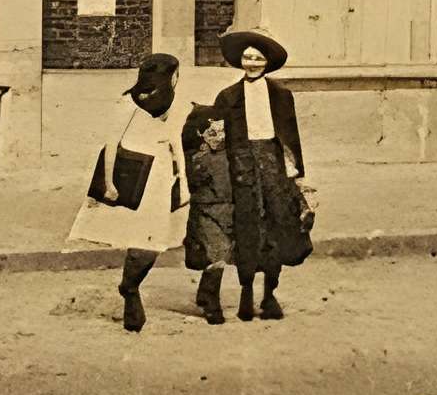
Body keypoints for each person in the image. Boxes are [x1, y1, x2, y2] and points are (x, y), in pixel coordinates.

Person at [68, 52, 188, 329]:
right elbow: (111, 143)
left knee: (155, 242)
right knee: (140, 238)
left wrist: (182, 180)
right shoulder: (128, 102)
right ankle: (131, 291)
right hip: (135, 176)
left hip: (161, 178)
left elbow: (176, 144)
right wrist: (108, 183)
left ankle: (128, 284)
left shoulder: (173, 103)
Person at [209, 29, 310, 321]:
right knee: (247, 227)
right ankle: (245, 291)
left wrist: (296, 175)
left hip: (273, 165)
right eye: (247, 57)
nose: (252, 63)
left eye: (258, 58)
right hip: (241, 166)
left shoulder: (281, 95)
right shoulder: (227, 97)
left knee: (276, 227)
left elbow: (291, 137)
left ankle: (269, 295)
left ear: (267, 63)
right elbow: (216, 139)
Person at [178, 101, 239, 323]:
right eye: (212, 132)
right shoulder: (196, 157)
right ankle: (210, 299)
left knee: (221, 254)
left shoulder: (231, 154)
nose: (218, 137)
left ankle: (206, 293)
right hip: (205, 210)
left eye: (222, 132)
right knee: (216, 253)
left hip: (227, 209)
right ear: (201, 133)